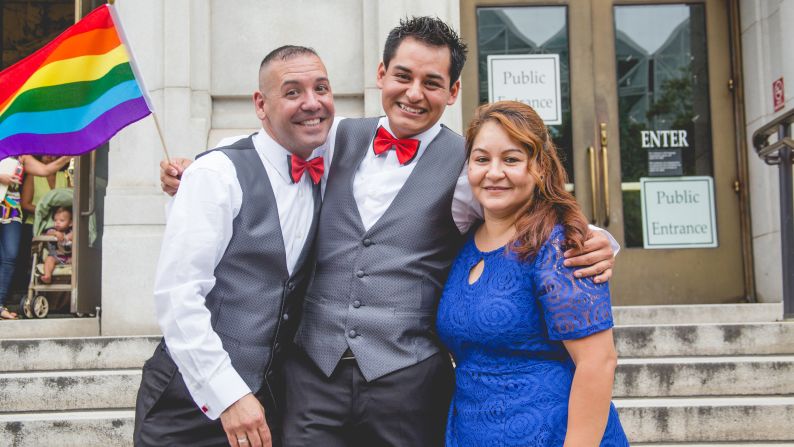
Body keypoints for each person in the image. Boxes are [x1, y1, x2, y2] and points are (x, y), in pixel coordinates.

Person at [160, 17, 617, 447]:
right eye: (403, 76)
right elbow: (268, 150)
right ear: (381, 73)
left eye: (432, 83)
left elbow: (527, 202)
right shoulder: (335, 136)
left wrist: (595, 240)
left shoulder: (468, 163)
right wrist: (199, 167)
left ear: (453, 90)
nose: (414, 94)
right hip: (311, 376)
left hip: (408, 378)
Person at [134, 45, 333, 447]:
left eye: (322, 88)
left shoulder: (330, 157)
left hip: (267, 406)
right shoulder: (215, 174)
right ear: (261, 104)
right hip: (185, 404)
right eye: (292, 92)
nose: (312, 103)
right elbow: (178, 296)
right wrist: (229, 395)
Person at [436, 101, 629, 446]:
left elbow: (598, 362)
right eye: (482, 159)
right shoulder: (464, 244)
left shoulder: (561, 245)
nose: (494, 172)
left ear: (538, 167)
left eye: (510, 159)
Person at [0, 155, 70, 320]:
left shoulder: (21, 156)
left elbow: (45, 170)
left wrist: (67, 158)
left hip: (12, 210)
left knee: (10, 256)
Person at [40, 206, 73, 284]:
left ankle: (77, 277)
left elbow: (76, 233)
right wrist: (55, 233)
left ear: (71, 223)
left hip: (71, 257)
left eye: (62, 220)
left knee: (78, 259)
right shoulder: (53, 230)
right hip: (57, 256)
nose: (57, 222)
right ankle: (47, 276)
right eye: (55, 220)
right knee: (49, 259)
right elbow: (48, 233)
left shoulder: (73, 230)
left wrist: (69, 236)